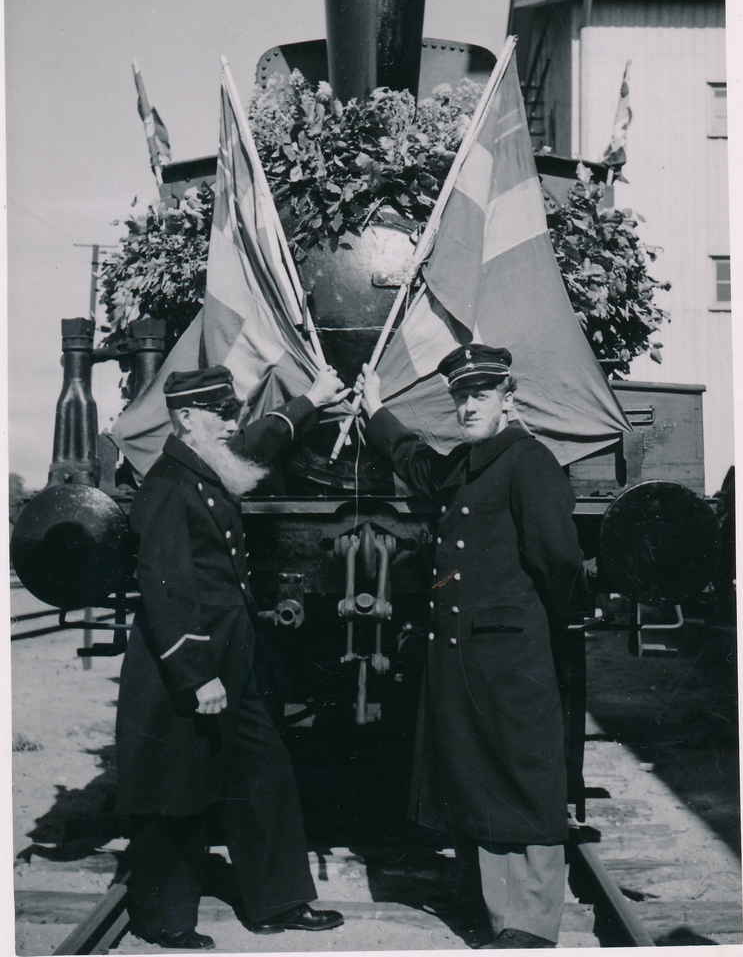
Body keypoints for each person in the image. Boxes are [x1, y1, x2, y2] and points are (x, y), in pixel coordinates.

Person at [356, 344, 589, 950]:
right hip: (470, 658)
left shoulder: (529, 461)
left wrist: (555, 630)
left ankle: (530, 926)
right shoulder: (469, 462)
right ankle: (499, 914)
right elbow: (418, 464)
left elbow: (559, 562)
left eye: (480, 395)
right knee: (479, 776)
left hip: (512, 657)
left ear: (508, 399)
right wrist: (376, 410)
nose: (467, 407)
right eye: (460, 396)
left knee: (524, 777)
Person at [116, 363, 349, 950]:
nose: (232, 424)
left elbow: (258, 441)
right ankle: (164, 920)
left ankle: (278, 903)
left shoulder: (206, 464)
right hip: (187, 670)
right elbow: (166, 589)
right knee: (176, 788)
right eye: (221, 414)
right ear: (186, 418)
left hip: (235, 665)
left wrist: (311, 401)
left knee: (265, 772)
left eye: (233, 412)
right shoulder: (167, 487)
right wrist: (197, 675)